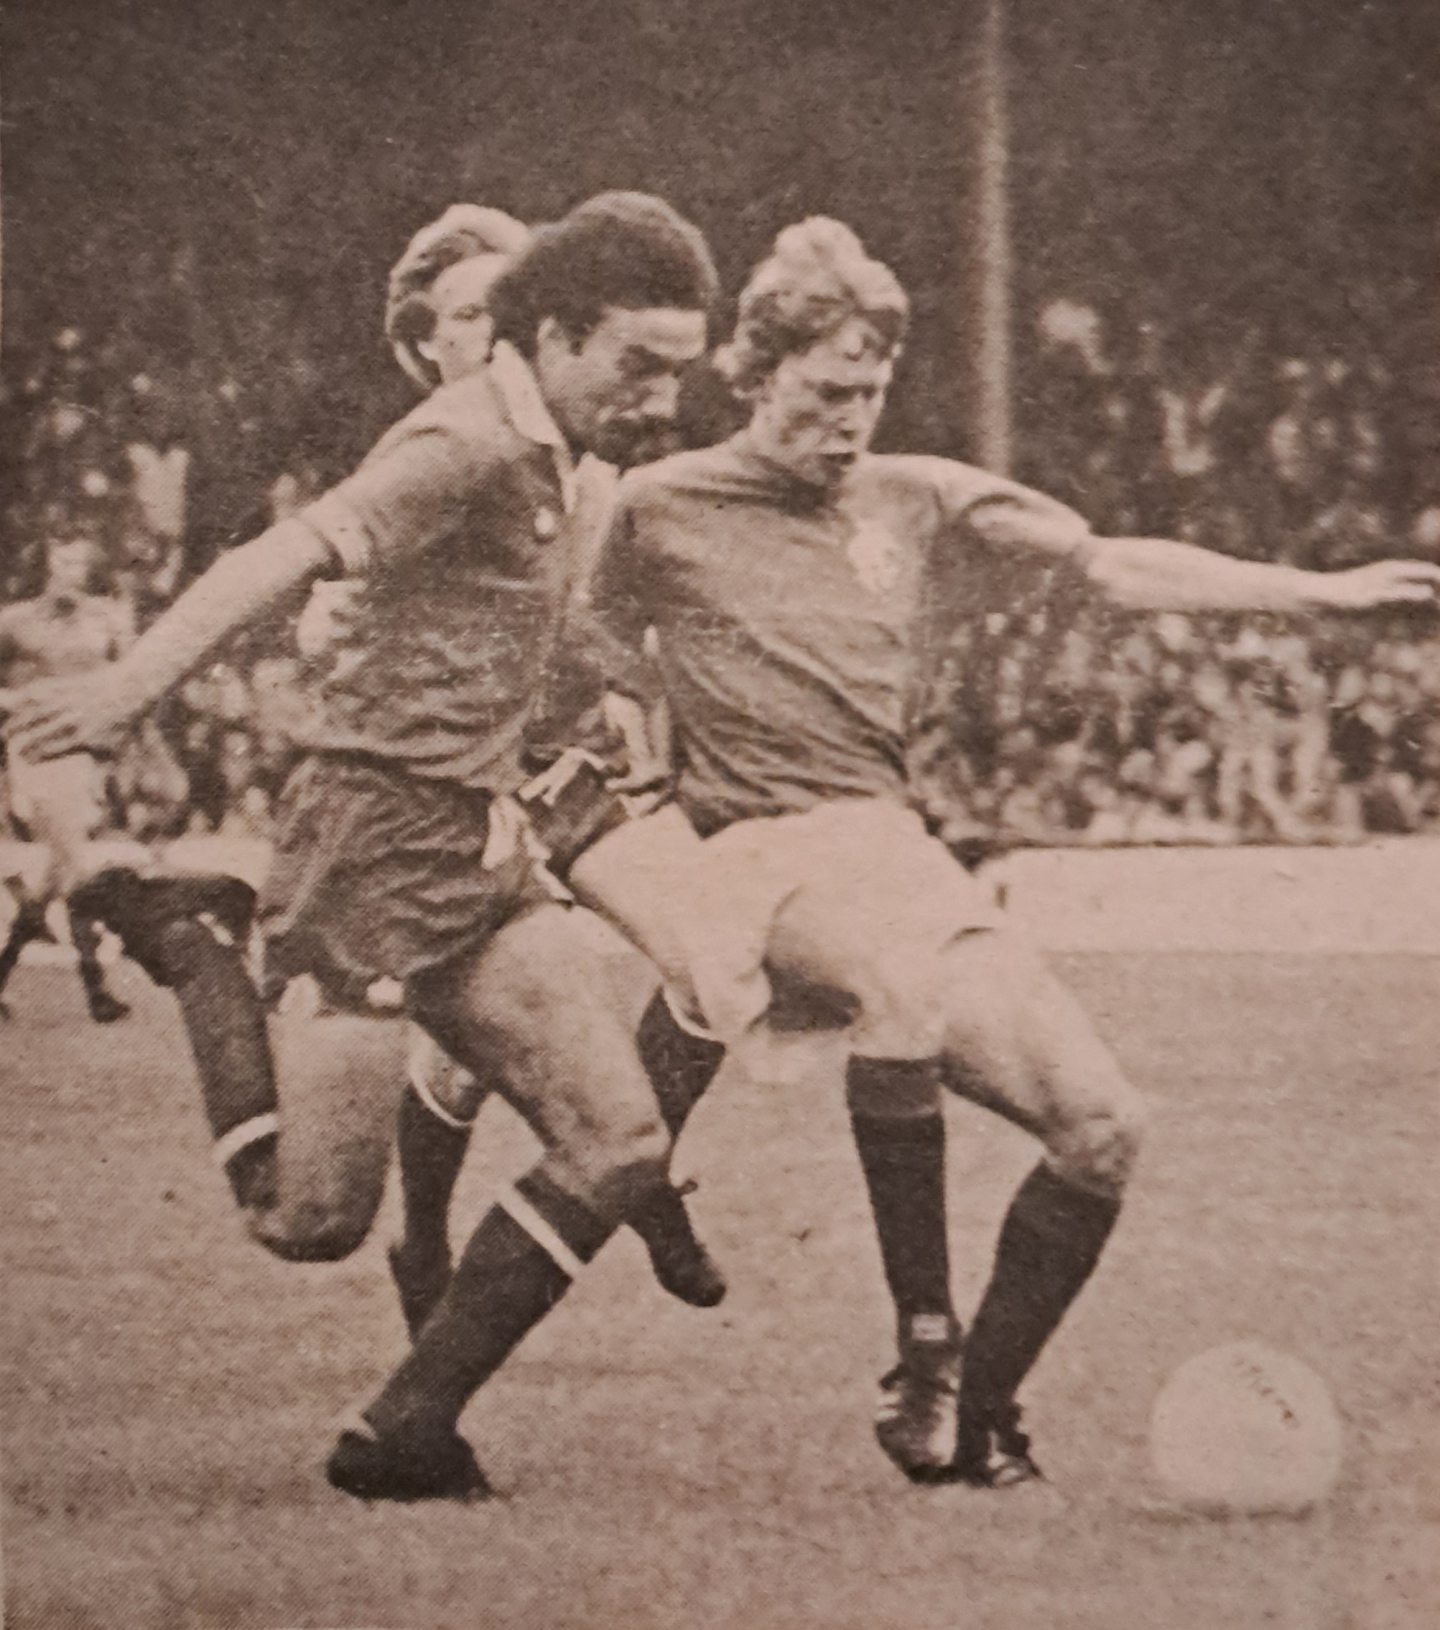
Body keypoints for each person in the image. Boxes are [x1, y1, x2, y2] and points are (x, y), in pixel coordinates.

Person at [555, 218, 1437, 1487]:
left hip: (889, 847)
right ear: (753, 374)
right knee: (900, 995)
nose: (848, 417)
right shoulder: (660, 504)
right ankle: (925, 1340)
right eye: (821, 391)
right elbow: (584, 650)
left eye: (868, 391)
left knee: (1102, 1124)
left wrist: (1320, 593)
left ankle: (971, 1414)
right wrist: (640, 772)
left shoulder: (918, 498)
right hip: (757, 853)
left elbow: (1108, 567)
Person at [7, 192, 723, 1502]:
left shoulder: (559, 450)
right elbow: (276, 559)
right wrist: (121, 695)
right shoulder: (464, 441)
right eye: (638, 362)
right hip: (369, 845)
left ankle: (404, 1432)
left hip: (474, 841)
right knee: (309, 1216)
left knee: (618, 1139)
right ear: (556, 334)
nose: (661, 394)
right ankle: (193, 941)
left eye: (680, 368)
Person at [371, 201, 725, 1324]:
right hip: (461, 784)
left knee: (718, 960)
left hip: (573, 768)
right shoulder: (429, 465)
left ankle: (646, 1181)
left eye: (501, 306)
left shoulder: (592, 457)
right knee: (471, 1058)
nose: (489, 330)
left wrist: (637, 695)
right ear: (424, 344)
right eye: (465, 313)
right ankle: (423, 1240)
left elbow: (613, 612)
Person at [0, 534, 140, 1023]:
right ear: (46, 565)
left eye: (79, 562)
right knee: (76, 868)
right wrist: (14, 704)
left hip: (85, 757)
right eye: (61, 561)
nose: (70, 572)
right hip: (37, 753)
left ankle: (1, 972)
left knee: (57, 877)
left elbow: (128, 681)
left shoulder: (104, 620)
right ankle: (96, 991)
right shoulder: (15, 622)